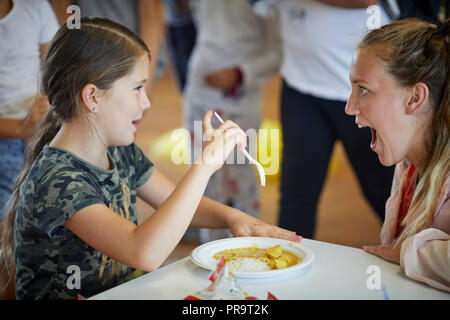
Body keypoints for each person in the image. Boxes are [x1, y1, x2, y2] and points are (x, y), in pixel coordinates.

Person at [0, 17, 301, 300]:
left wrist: (235, 218)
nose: (146, 103)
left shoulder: (118, 150)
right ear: (92, 97)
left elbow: (176, 202)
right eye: (137, 88)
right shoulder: (57, 180)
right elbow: (144, 252)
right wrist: (205, 164)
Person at [276, 0, 396, 240]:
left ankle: (421, 265)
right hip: (300, 84)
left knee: (386, 194)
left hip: (370, 90)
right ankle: (286, 271)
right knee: (296, 195)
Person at [346, 18, 450, 292]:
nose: (349, 107)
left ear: (414, 98)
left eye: (363, 89)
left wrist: (408, 252)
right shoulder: (407, 164)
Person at [183, 0, 282, 244]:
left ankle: (251, 245)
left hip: (240, 101)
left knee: (241, 173)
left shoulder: (268, 6)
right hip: (199, 90)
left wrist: (239, 74)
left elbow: (277, 53)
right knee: (203, 174)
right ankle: (210, 245)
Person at [0, 0, 59, 299]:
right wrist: (20, 128)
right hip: (9, 143)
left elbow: (54, 66)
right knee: (5, 248)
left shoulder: (34, 7)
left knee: (28, 237)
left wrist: (46, 101)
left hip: (35, 140)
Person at [51, 0, 167, 95]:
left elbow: (150, 12)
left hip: (128, 58)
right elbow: (63, 8)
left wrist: (143, 84)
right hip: (84, 57)